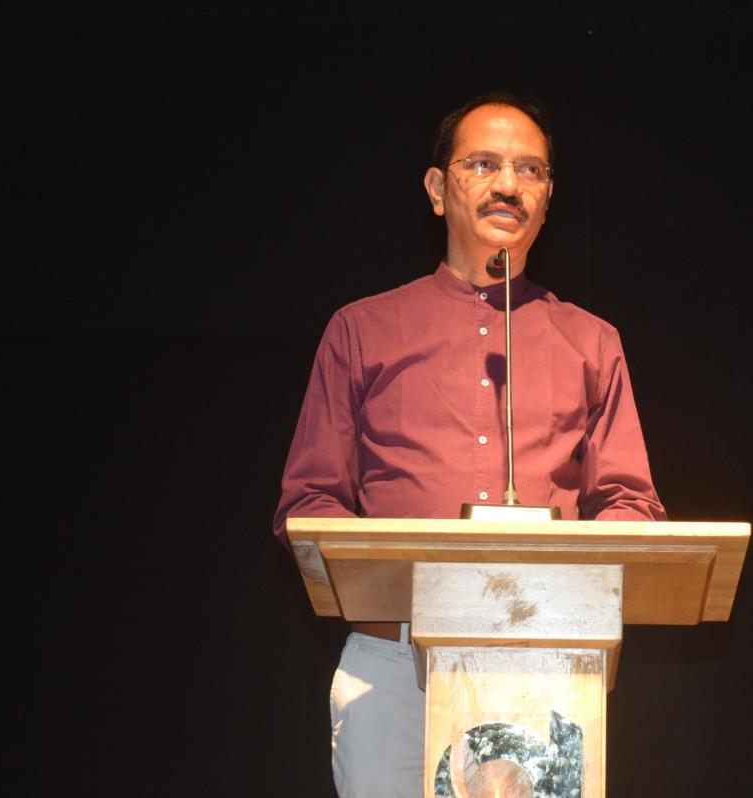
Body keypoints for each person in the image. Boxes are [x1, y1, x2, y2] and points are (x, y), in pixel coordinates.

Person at [272, 92, 666, 797]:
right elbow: (309, 503)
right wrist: (402, 575)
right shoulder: (362, 330)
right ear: (436, 189)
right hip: (394, 666)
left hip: (545, 662)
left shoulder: (591, 341)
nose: (508, 184)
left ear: (548, 198)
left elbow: (630, 504)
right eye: (483, 165)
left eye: (530, 170)